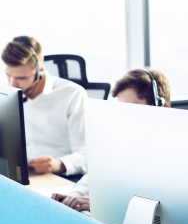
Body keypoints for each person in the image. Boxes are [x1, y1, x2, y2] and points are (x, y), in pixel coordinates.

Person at [52, 68, 171, 213]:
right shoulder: (124, 139)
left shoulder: (170, 150)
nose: (123, 116)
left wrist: (103, 204)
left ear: (157, 106)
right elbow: (97, 174)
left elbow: (159, 204)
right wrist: (74, 196)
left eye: (129, 108)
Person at [2, 36, 87, 176]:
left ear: (40, 70)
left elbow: (86, 154)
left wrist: (59, 164)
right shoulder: (6, 93)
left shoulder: (73, 94)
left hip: (59, 175)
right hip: (20, 173)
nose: (13, 84)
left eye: (21, 78)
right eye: (9, 75)